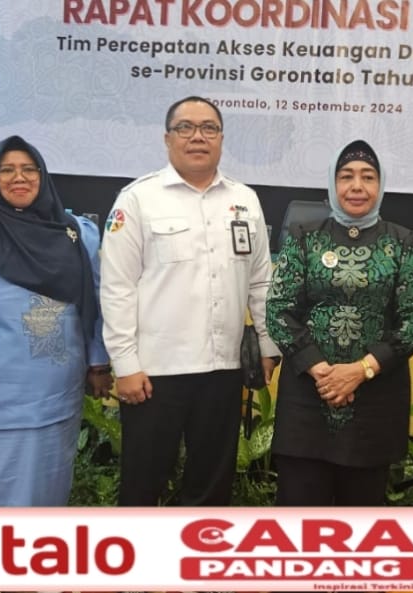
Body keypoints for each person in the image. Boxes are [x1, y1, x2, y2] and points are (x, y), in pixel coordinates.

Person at [100, 96, 279, 506]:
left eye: (209, 128)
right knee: (143, 485)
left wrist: (268, 347)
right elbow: (116, 287)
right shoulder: (138, 199)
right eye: (185, 128)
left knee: (212, 487)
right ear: (167, 139)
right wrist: (125, 364)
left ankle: (200, 547)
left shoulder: (245, 200)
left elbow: (261, 282)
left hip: (223, 370)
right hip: (154, 373)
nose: (198, 136)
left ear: (221, 139)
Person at [0, 135, 110, 506]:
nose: (19, 177)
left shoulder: (73, 233)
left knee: (47, 495)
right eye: (7, 170)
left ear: (43, 175)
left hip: (57, 399)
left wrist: (98, 363)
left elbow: (92, 302)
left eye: (29, 169)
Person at [266, 139, 413, 505]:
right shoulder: (303, 238)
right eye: (346, 176)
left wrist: (361, 370)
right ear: (332, 182)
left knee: (361, 513)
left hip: (374, 400)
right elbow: (279, 310)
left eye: (368, 177)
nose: (357, 186)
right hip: (308, 398)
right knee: (298, 511)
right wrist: (322, 371)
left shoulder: (403, 242)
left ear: (381, 185)